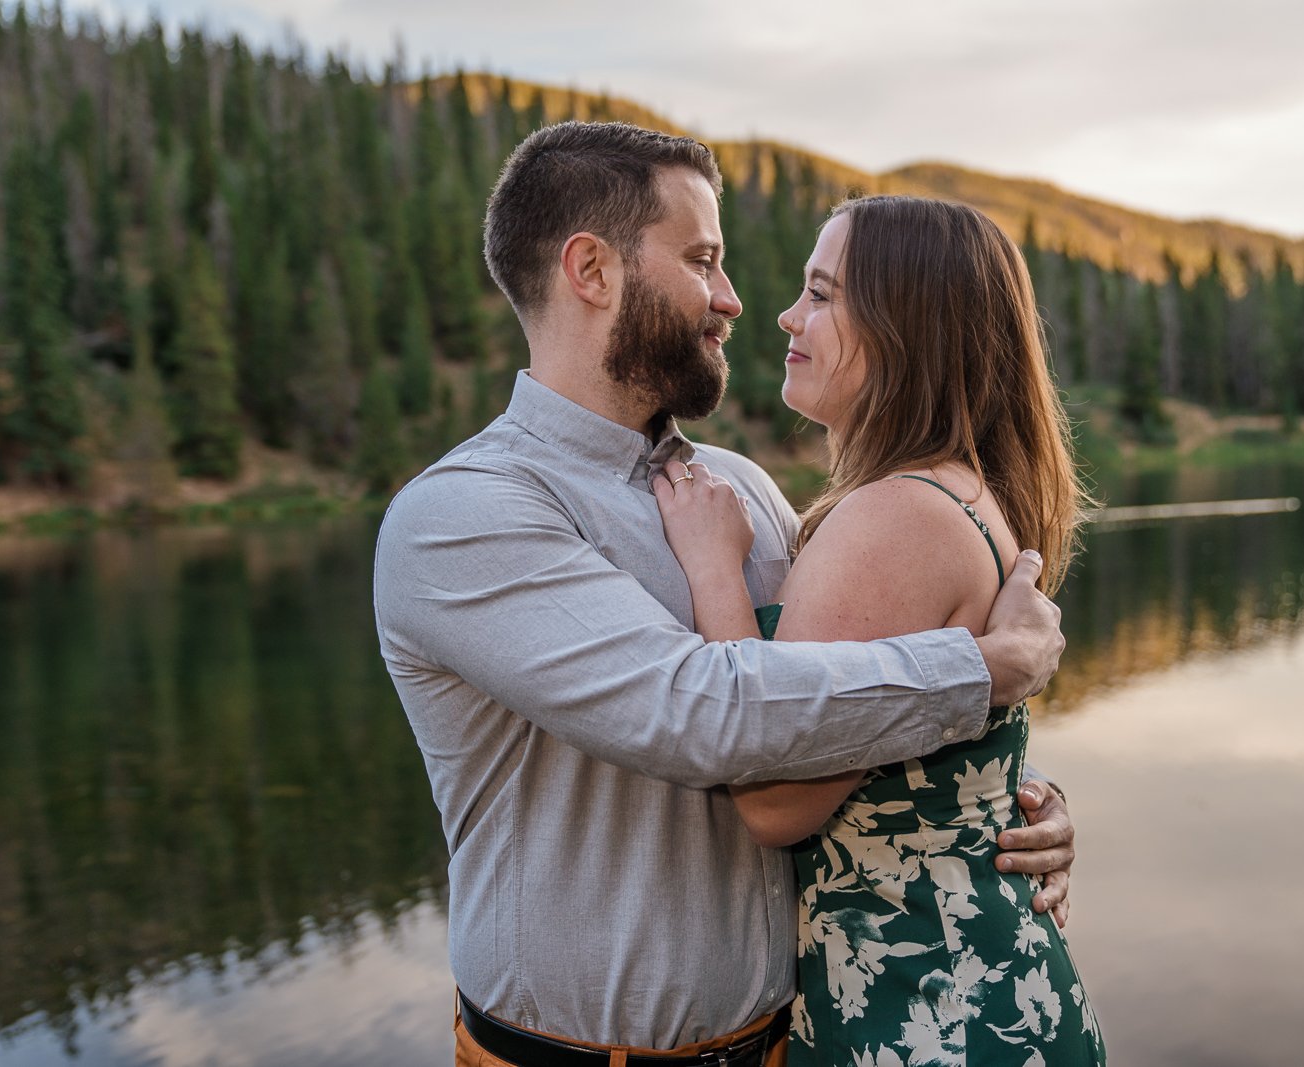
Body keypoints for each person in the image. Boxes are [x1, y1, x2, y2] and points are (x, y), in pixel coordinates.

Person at [373, 122, 1077, 1066]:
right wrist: (982, 672)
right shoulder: (465, 515)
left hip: (796, 1043)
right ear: (593, 270)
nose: (736, 300)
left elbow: (838, 695)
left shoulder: (740, 489)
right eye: (703, 260)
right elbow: (702, 712)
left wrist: (1006, 808)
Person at [653, 195, 1106, 1064]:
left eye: (821, 295)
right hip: (971, 990)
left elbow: (775, 798)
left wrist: (713, 568)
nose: (786, 314)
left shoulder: (896, 517)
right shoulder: (951, 493)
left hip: (926, 1014)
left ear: (908, 331)